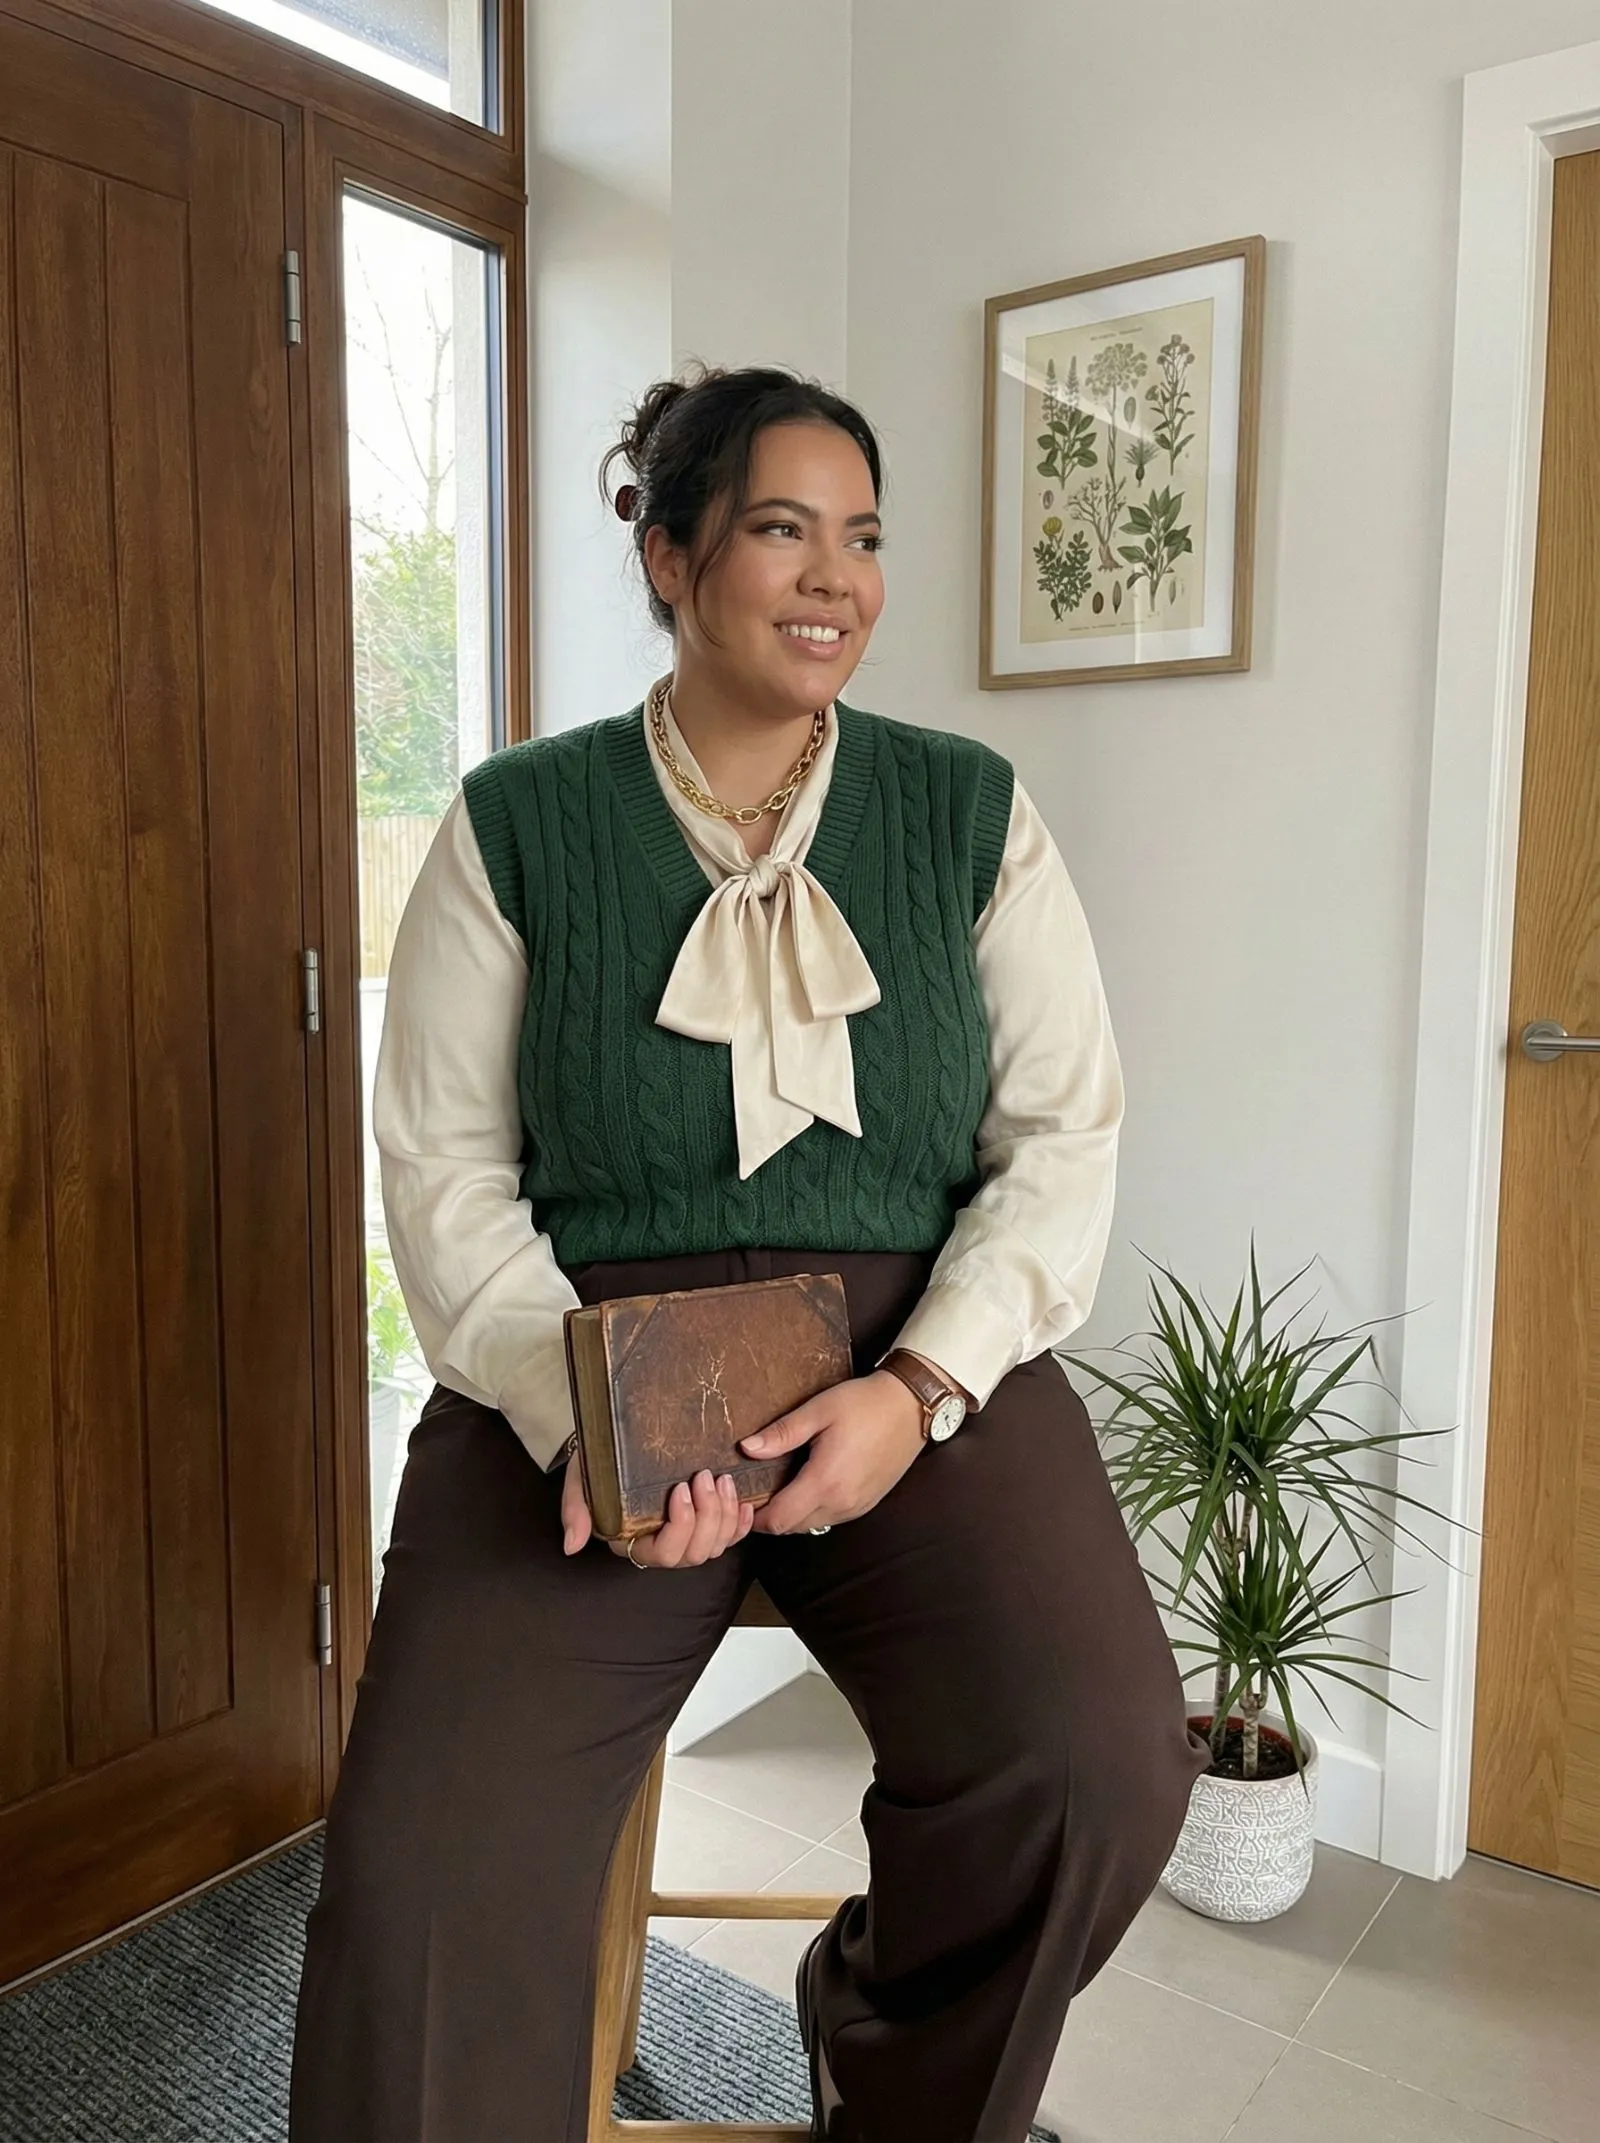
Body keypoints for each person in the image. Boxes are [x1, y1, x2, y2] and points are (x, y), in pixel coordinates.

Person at [288, 363, 1209, 2143]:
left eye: (862, 537)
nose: (836, 578)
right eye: (785, 527)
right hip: (577, 1370)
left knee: (1095, 1761)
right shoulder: (512, 824)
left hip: (911, 1359)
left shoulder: (969, 814)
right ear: (670, 553)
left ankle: (887, 2052)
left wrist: (926, 1386)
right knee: (425, 1877)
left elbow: (1060, 1137)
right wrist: (590, 1424)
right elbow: (445, 1174)